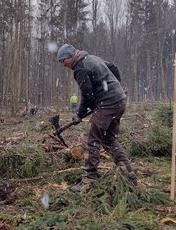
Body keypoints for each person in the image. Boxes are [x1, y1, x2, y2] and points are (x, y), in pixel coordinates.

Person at [57, 44, 137, 192]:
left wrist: (79, 114)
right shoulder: (92, 58)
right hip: (119, 100)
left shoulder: (80, 68)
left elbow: (87, 96)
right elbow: (113, 67)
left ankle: (89, 180)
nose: (63, 65)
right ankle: (129, 175)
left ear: (70, 57)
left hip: (108, 104)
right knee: (108, 139)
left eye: (63, 61)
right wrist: (117, 86)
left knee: (89, 139)